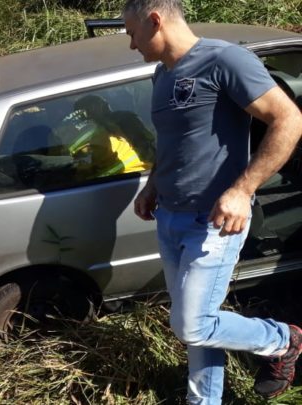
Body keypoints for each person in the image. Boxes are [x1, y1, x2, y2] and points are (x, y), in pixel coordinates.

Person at [123, 0, 302, 403]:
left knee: (192, 324)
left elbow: (288, 119)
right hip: (170, 216)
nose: (131, 44)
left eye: (132, 33)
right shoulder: (161, 75)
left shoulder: (225, 60)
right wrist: (153, 183)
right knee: (198, 321)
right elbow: (175, 141)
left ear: (155, 21)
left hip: (214, 220)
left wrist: (242, 190)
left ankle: (283, 340)